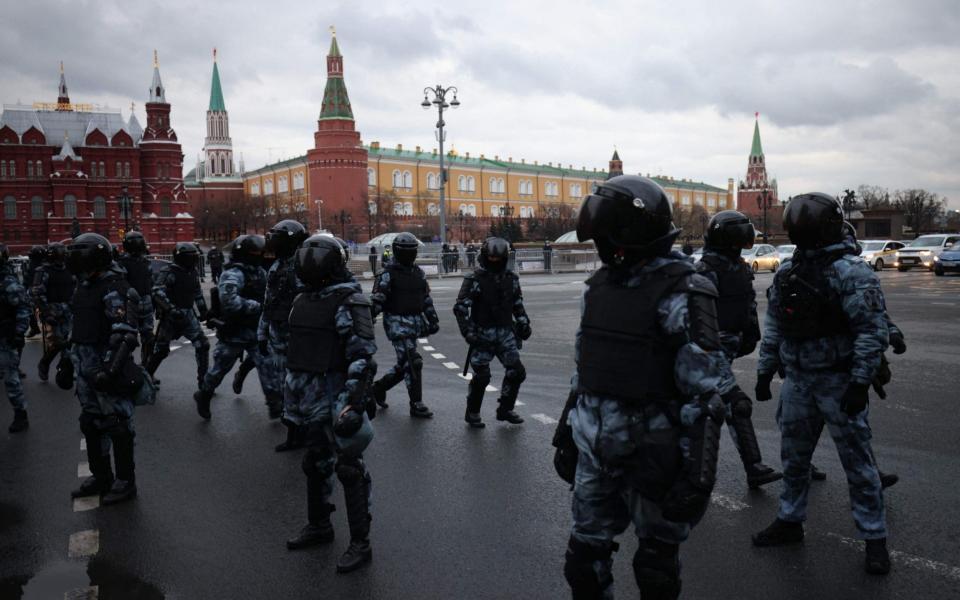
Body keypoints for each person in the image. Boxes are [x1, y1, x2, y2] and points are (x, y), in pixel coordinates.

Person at [555, 175, 727, 599]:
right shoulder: (598, 288)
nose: (597, 248)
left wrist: (698, 475)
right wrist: (567, 435)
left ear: (629, 233)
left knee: (655, 569)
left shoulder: (683, 290)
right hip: (596, 454)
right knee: (582, 565)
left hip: (654, 456)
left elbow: (705, 395)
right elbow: (584, 372)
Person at [752, 193, 891, 575]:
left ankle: (874, 537)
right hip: (798, 381)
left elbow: (870, 332)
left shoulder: (852, 271)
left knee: (858, 466)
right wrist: (765, 370)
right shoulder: (787, 272)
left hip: (838, 380)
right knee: (794, 461)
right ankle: (790, 520)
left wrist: (860, 382)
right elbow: (777, 326)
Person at [284, 235, 378, 575]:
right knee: (315, 462)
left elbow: (363, 355)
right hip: (309, 397)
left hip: (337, 395)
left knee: (349, 469)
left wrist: (354, 402)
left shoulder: (349, 299)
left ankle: (360, 543)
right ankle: (320, 526)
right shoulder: (303, 298)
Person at [695, 210, 782, 489]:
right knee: (735, 403)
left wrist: (750, 333)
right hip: (709, 348)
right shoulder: (705, 269)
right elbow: (697, 313)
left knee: (706, 406)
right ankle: (752, 466)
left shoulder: (739, 267)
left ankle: (689, 471)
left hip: (729, 343)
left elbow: (747, 304)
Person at [67, 233, 148, 505]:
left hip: (107, 368)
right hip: (85, 366)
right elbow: (76, 328)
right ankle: (101, 476)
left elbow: (125, 333)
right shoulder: (84, 285)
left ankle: (126, 481)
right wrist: (68, 362)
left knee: (118, 425)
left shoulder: (115, 287)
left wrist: (110, 370)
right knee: (91, 423)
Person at [453, 237, 530, 428]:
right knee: (482, 377)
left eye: (498, 258)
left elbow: (517, 305)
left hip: (505, 334)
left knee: (517, 372)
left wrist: (524, 324)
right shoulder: (474, 279)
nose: (494, 261)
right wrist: (467, 332)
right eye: (491, 258)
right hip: (482, 335)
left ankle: (505, 409)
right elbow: (460, 308)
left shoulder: (511, 279)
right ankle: (472, 412)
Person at [193, 235, 269, 420]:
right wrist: (258, 306)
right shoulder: (233, 273)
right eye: (254, 253)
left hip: (256, 330)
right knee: (219, 370)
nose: (258, 256)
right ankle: (204, 394)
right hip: (235, 331)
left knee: (267, 367)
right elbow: (229, 301)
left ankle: (274, 402)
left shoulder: (260, 272)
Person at [370, 232, 439, 418]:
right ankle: (416, 403)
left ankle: (378, 387)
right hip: (396, 323)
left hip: (415, 322)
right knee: (412, 361)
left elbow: (425, 298)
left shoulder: (418, 273)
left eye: (412, 251)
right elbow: (377, 299)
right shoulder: (387, 274)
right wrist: (368, 318)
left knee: (405, 364)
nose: (410, 255)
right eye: (406, 251)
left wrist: (433, 319)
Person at [262, 219, 308, 444]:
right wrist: (263, 332)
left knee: (298, 383)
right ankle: (294, 428)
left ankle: (301, 430)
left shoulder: (302, 265)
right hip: (277, 333)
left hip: (297, 336)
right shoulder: (276, 266)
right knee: (283, 383)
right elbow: (268, 302)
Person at [145, 243, 210, 388]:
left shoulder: (192, 272)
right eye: (191, 257)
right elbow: (157, 291)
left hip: (188, 314)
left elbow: (197, 293)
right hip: (170, 317)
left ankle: (203, 381)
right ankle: (147, 376)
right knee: (161, 350)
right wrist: (171, 309)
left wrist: (204, 312)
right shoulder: (169, 272)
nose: (194, 259)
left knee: (202, 344)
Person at [32, 242, 76, 382]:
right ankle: (45, 363)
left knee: (69, 343)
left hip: (68, 310)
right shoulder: (43, 271)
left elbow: (75, 289)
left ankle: (63, 370)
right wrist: (46, 312)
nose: (62, 256)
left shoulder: (69, 269)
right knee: (58, 342)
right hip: (52, 311)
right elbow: (38, 293)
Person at [1, 244, 30, 433]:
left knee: (11, 378)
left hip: (4, 336)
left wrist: (19, 333)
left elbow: (23, 308)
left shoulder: (7, 282)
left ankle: (21, 413)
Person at [117, 232, 156, 366]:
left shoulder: (145, 262)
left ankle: (147, 369)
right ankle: (128, 371)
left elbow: (151, 282)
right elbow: (120, 284)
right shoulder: (122, 263)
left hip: (147, 304)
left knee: (149, 339)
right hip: (130, 307)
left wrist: (154, 300)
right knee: (128, 340)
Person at [23, 245, 45, 338]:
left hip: (39, 290)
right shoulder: (30, 265)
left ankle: (35, 328)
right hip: (36, 290)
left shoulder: (31, 265)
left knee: (29, 309)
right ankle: (35, 328)